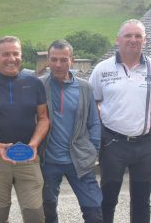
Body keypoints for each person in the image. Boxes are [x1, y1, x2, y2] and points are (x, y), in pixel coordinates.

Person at [0, 35, 49, 223]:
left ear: (21, 56)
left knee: (35, 216)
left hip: (28, 157)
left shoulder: (35, 84)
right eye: (6, 54)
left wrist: (34, 144)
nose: (11, 58)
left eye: (16, 53)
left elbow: (44, 118)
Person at [89, 19, 151, 223]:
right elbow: (92, 102)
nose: (133, 40)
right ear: (118, 40)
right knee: (108, 197)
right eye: (128, 35)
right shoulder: (102, 69)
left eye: (138, 36)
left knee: (142, 199)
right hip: (113, 142)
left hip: (146, 144)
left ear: (145, 39)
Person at [39, 39, 102, 223]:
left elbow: (94, 123)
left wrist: (93, 151)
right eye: (54, 59)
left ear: (71, 60)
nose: (58, 64)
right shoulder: (38, 86)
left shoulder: (85, 88)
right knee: (47, 209)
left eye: (63, 59)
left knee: (94, 209)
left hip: (79, 160)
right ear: (48, 60)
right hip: (48, 161)